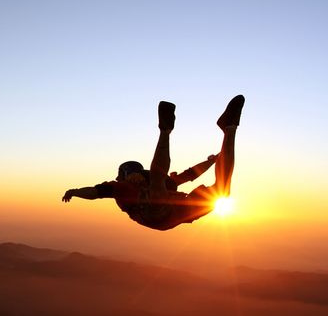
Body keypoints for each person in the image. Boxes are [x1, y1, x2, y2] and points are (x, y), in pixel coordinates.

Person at [62, 95, 245, 230]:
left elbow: (189, 175)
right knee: (158, 190)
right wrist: (75, 192)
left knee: (223, 191)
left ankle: (229, 129)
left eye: (138, 174)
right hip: (153, 215)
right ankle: (165, 131)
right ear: (124, 177)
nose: (137, 178)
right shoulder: (119, 189)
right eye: (132, 175)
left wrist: (212, 161)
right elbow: (95, 192)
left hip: (179, 212)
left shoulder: (154, 180)